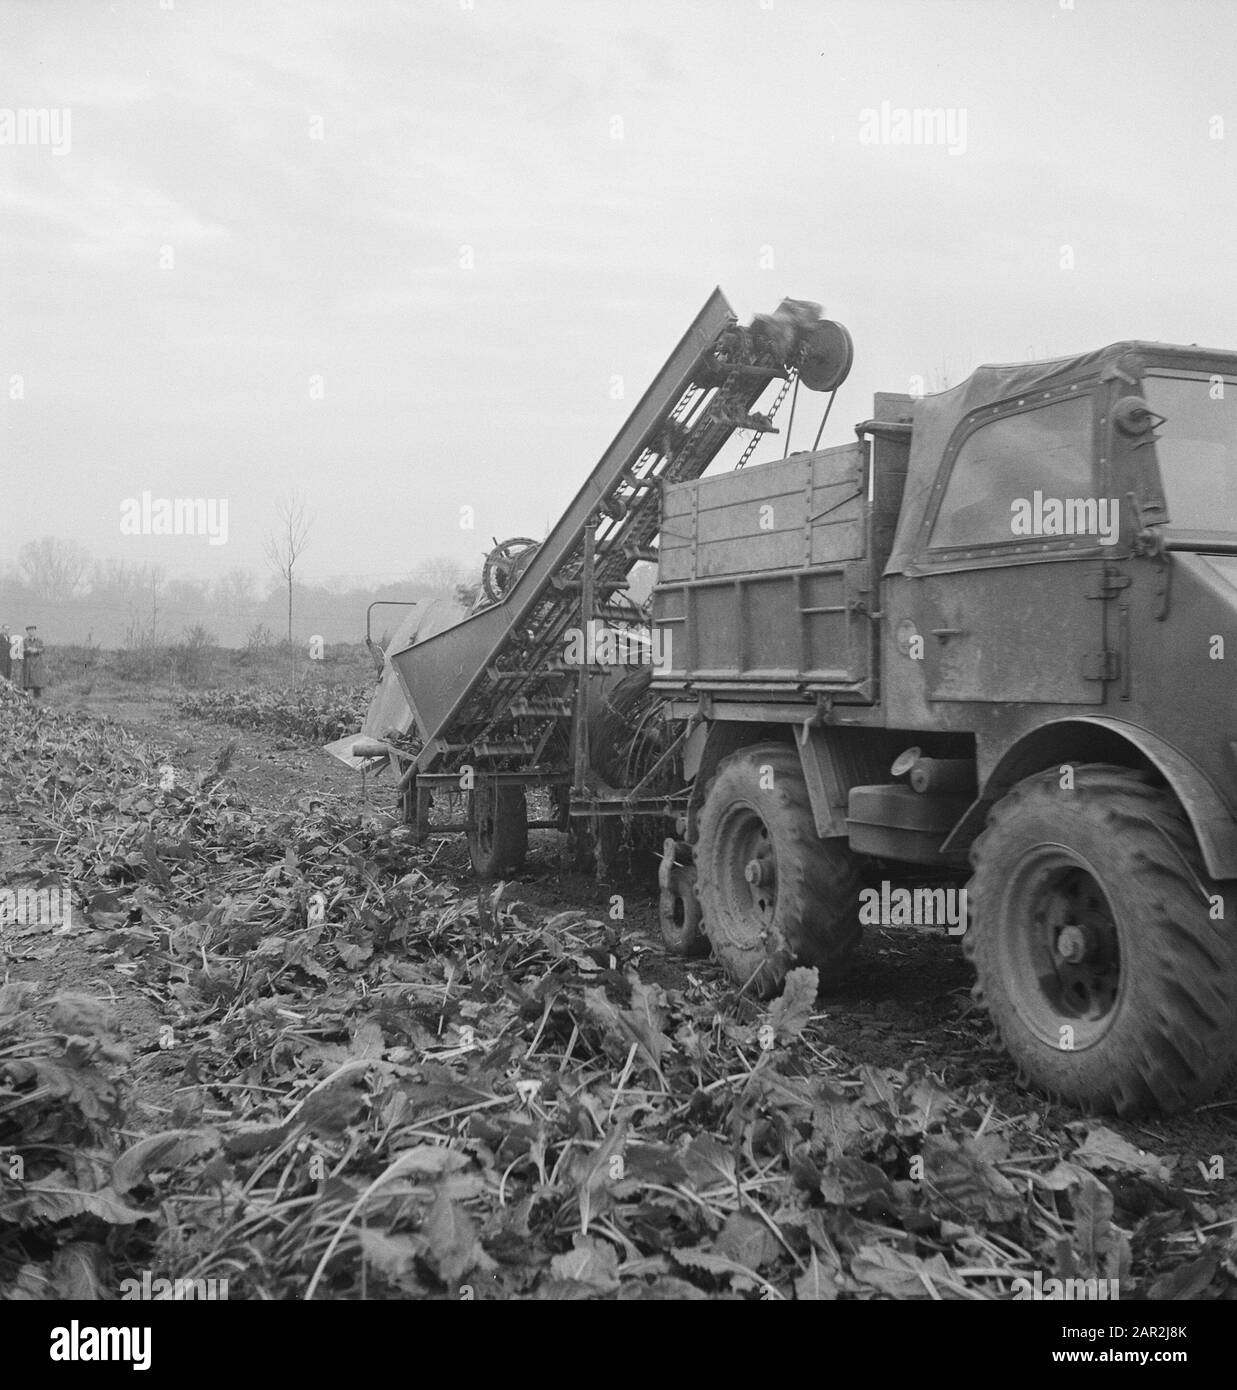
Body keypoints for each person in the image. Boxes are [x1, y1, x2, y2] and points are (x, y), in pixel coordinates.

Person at [22, 625, 44, 698]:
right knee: (26, 680)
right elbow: (22, 651)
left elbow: (42, 649)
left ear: (35, 631)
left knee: (37, 680)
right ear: (27, 631)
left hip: (37, 663)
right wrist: (27, 650)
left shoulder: (39, 640)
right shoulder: (24, 641)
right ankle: (25, 697)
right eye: (29, 630)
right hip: (28, 662)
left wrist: (36, 650)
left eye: (33, 630)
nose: (31, 632)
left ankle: (37, 697)